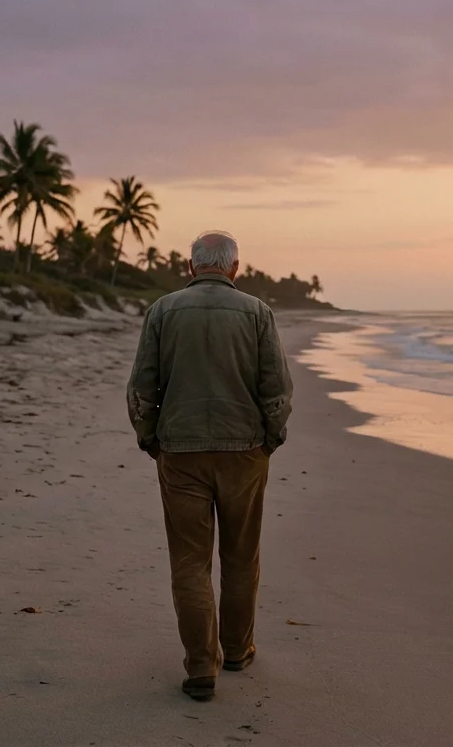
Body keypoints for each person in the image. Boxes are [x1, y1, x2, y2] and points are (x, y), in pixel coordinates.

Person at [125, 229, 293, 702]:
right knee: (241, 557)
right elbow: (276, 389)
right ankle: (237, 650)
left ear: (192, 266)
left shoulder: (162, 310)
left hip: (180, 451)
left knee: (189, 561)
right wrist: (270, 439)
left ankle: (201, 665)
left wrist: (151, 440)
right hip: (244, 451)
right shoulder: (257, 312)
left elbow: (141, 389)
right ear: (235, 268)